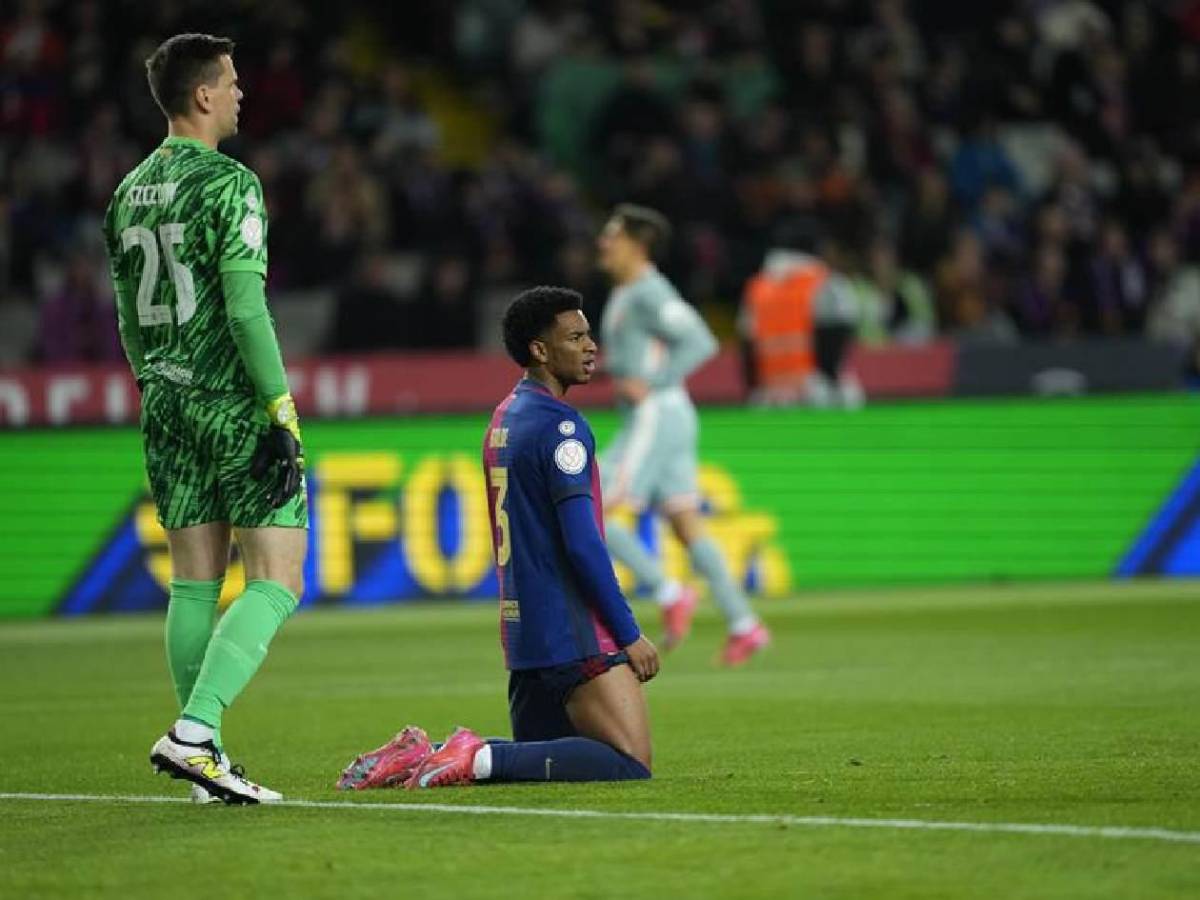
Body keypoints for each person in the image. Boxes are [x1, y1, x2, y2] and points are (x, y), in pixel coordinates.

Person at [337, 286, 658, 790]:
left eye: (590, 334)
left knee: (546, 759)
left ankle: (426, 754)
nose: (591, 346)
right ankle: (474, 757)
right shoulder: (562, 429)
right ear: (540, 350)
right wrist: (628, 634)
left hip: (523, 637)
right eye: (575, 337)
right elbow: (583, 544)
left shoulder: (505, 416)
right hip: (572, 634)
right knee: (627, 762)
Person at [102, 34, 307, 805]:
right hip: (230, 405)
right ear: (202, 97)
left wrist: (159, 384)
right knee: (278, 579)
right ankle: (195, 733)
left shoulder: (127, 191)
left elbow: (126, 315)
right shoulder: (230, 184)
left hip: (164, 403)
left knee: (193, 584)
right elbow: (247, 307)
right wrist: (279, 406)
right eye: (231, 83)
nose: (241, 93)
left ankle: (204, 759)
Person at [596, 204, 769, 665]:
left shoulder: (650, 290)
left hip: (654, 414)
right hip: (668, 414)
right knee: (686, 523)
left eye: (612, 236)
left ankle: (669, 590)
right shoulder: (629, 291)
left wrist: (652, 383)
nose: (603, 243)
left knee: (593, 506)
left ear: (638, 244)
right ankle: (744, 623)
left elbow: (700, 340)